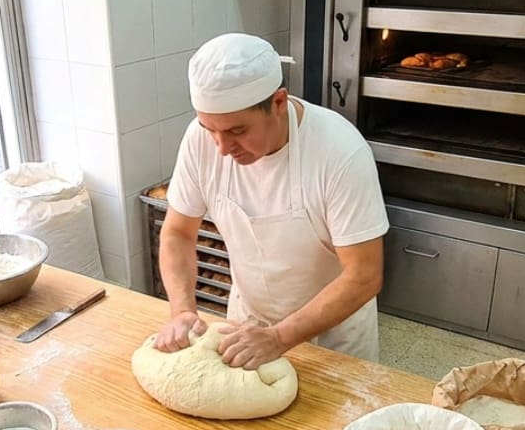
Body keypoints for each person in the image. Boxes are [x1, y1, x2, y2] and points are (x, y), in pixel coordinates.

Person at [155, 33, 388, 369]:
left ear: (278, 102)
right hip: (246, 325)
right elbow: (178, 233)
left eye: (237, 131)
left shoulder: (340, 153)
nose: (221, 148)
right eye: (210, 129)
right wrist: (181, 311)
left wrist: (280, 338)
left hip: (333, 339)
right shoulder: (200, 140)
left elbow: (364, 274)